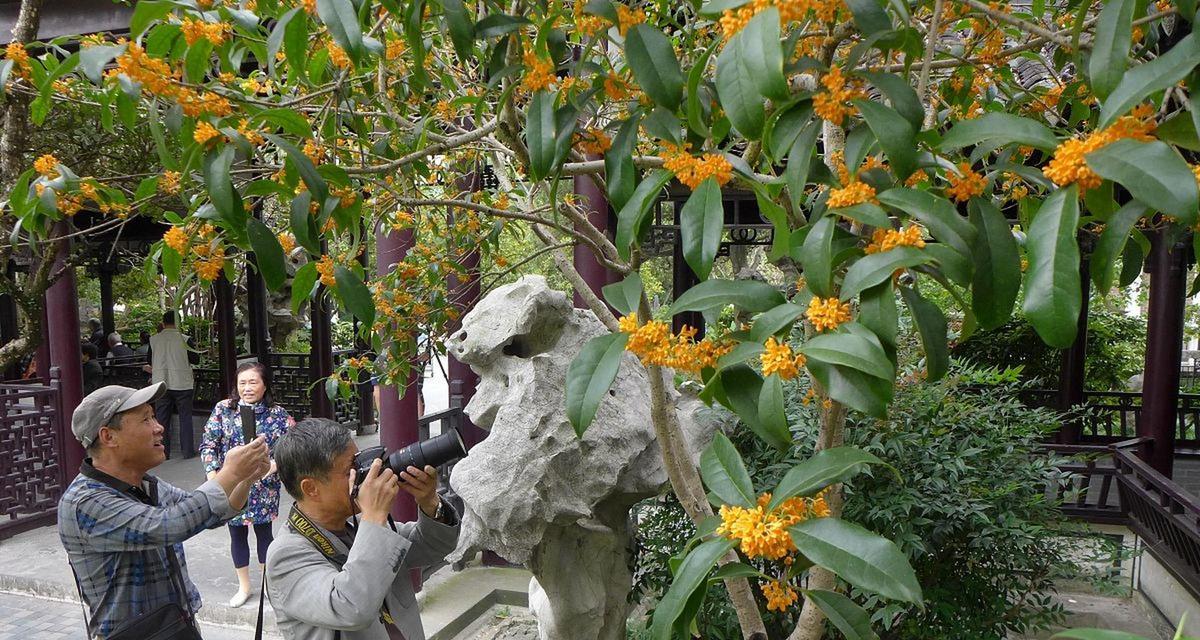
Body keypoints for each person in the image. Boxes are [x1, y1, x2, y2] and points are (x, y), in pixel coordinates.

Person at [58, 382, 271, 639]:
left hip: (175, 624)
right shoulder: (85, 501)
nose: (159, 427)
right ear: (108, 437)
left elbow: (206, 514)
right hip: (135, 634)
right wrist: (229, 473)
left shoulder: (146, 483)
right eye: (146, 419)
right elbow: (169, 525)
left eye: (154, 417)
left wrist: (245, 479)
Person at [267, 418, 459, 640]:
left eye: (360, 465)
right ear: (311, 488)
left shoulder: (358, 528)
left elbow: (434, 546)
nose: (363, 477)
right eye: (351, 470)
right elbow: (349, 607)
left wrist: (429, 502)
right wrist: (374, 517)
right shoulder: (286, 555)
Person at [200, 361, 294, 608]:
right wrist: (214, 476)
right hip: (231, 484)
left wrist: (271, 467)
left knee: (265, 533)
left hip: (264, 485)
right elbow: (209, 443)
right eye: (242, 383)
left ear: (265, 385)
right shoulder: (223, 409)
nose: (247, 388)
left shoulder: (278, 414)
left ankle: (267, 586)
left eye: (253, 382)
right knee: (236, 533)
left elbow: (287, 450)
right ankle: (244, 587)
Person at [144, 311, 197, 458]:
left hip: (161, 385)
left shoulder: (153, 340)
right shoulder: (185, 339)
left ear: (163, 321)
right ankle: (187, 452)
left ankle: (163, 452)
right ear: (178, 322)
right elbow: (195, 359)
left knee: (162, 420)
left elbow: (150, 360)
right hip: (182, 383)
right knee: (185, 418)